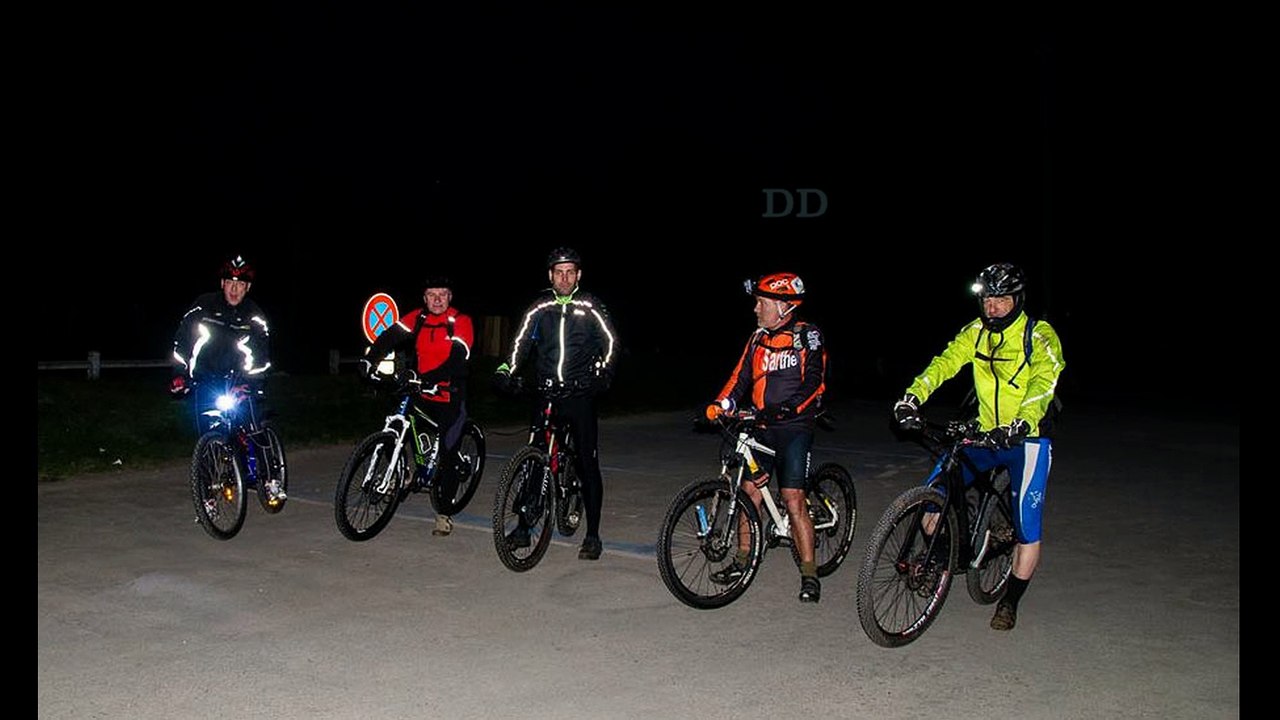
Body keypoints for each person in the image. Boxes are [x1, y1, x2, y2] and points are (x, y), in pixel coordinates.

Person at [892, 262, 1065, 631]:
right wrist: (911, 397)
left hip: (1026, 439)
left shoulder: (1039, 335)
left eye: (1001, 300)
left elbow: (1043, 383)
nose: (993, 308)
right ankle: (947, 558)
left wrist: (1021, 423)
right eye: (987, 300)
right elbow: (945, 364)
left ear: (1017, 299)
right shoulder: (976, 332)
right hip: (984, 432)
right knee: (931, 501)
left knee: (1027, 530)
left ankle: (1009, 602)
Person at [704, 272, 828, 603]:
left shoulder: (807, 336)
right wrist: (721, 404)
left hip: (795, 427)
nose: (756, 309)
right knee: (750, 493)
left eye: (762, 303)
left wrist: (791, 408)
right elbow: (740, 377)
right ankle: (742, 561)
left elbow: (814, 380)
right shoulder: (757, 338)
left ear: (783, 307)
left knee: (792, 498)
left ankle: (809, 572)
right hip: (763, 425)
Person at [493, 247, 619, 561]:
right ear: (550, 275)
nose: (564, 278)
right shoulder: (540, 307)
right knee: (535, 455)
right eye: (558, 272)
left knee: (588, 463)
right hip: (546, 392)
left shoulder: (590, 305)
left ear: (579, 275)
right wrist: (506, 369)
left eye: (570, 272)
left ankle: (593, 534)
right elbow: (520, 343)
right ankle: (524, 526)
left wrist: (602, 373)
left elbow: (611, 343)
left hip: (580, 394)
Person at [361, 276, 475, 537]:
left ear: (450, 297)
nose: (437, 299)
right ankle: (402, 472)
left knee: (447, 455)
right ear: (424, 298)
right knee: (400, 422)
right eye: (431, 294)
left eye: (442, 294)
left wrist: (430, 378)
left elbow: (458, 360)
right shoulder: (419, 318)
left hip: (450, 396)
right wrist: (369, 359)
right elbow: (390, 336)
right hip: (421, 391)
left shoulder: (461, 322)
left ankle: (444, 513)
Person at [169, 254, 281, 500]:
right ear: (222, 283)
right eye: (230, 282)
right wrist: (180, 375)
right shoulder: (203, 306)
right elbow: (182, 344)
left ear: (247, 288)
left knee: (251, 424)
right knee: (205, 435)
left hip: (240, 381)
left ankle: (270, 478)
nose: (234, 288)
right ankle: (207, 493)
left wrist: (251, 383)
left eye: (240, 284)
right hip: (205, 379)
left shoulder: (254, 316)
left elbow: (261, 356)